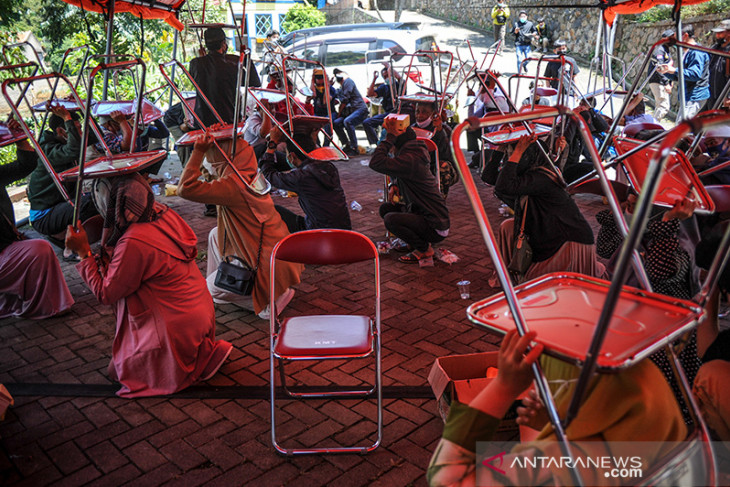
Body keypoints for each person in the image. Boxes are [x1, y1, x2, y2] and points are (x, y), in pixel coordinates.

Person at [427, 330, 688, 486]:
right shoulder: (671, 435)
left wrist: (503, 387)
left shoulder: (558, 467)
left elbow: (445, 477)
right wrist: (556, 426)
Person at [64, 173, 232, 397]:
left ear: (112, 203)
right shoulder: (162, 212)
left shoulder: (133, 240)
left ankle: (177, 366)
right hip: (200, 314)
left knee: (123, 368)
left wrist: (84, 253)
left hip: (177, 327)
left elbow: (106, 293)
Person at [177, 134, 302, 319]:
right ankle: (229, 282)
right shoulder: (248, 171)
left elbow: (185, 188)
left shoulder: (232, 186)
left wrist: (198, 151)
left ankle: (268, 303)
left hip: (264, 262)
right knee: (214, 234)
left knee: (209, 290)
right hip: (276, 252)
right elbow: (212, 175)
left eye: (212, 157)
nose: (209, 162)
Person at [495, 134, 605, 282]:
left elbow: (504, 185)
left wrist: (518, 151)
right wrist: (500, 149)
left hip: (570, 240)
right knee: (507, 227)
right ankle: (511, 269)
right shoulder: (537, 173)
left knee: (533, 285)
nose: (509, 159)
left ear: (527, 157)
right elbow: (491, 178)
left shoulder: (541, 177)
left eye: (512, 155)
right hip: (558, 234)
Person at [1, 120, 74, 319]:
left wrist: (19, 137)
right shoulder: (52, 147)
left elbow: (26, 164)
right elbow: (74, 149)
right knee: (38, 249)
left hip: (8, 243)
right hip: (37, 222)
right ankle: (49, 304)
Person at [369, 121, 450, 264]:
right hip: (426, 215)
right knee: (386, 208)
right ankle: (415, 242)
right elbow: (403, 172)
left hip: (436, 225)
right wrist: (394, 184)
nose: (391, 151)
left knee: (390, 219)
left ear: (397, 145)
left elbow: (376, 162)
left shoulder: (410, 159)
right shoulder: (413, 152)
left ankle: (424, 249)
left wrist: (389, 138)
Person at [29, 104, 99, 241]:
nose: (80, 133)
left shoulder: (69, 141)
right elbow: (74, 150)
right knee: (92, 201)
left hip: (62, 206)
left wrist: (81, 110)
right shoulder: (47, 150)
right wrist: (67, 118)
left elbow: (95, 135)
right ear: (61, 132)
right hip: (45, 216)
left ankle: (74, 235)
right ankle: (64, 238)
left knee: (103, 192)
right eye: (77, 129)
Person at [260, 129, 351, 233]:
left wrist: (272, 144)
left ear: (292, 156)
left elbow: (268, 174)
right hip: (343, 229)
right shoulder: (329, 167)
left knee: (275, 210)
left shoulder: (301, 177)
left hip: (319, 233)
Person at [189, 27, 261, 129]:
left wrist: (202, 58)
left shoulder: (195, 63)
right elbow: (255, 83)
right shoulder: (237, 62)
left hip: (202, 122)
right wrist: (244, 57)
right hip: (228, 119)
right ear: (223, 44)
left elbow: (200, 79)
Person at [657, 25, 710, 120]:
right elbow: (680, 76)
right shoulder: (687, 52)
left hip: (695, 96)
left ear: (685, 36)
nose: (674, 40)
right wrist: (666, 72)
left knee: (681, 128)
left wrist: (674, 70)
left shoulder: (696, 52)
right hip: (688, 95)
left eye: (676, 37)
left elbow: (695, 74)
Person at [363, 66, 401, 148]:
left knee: (385, 132)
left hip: (397, 113)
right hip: (387, 114)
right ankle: (376, 144)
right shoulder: (384, 87)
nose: (386, 78)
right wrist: (374, 79)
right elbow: (370, 94)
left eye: (387, 76)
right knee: (367, 122)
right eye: (384, 77)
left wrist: (388, 66)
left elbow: (399, 77)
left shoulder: (399, 85)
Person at [333, 68, 368, 156]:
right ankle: (347, 144)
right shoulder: (340, 88)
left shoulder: (348, 82)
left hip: (359, 109)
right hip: (350, 112)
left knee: (347, 121)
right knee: (336, 123)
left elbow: (345, 100)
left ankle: (354, 147)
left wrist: (339, 112)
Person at [305, 68, 337, 147]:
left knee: (328, 124)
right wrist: (312, 80)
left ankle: (326, 145)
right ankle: (317, 145)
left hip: (329, 113)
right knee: (312, 125)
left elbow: (325, 101)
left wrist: (327, 86)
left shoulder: (331, 89)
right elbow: (312, 95)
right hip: (317, 113)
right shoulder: (314, 88)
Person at [648, 30, 674, 122]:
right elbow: (659, 67)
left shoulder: (665, 50)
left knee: (660, 106)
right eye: (671, 38)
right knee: (664, 106)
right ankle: (652, 125)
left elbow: (667, 66)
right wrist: (666, 83)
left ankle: (652, 125)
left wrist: (670, 81)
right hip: (657, 80)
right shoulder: (660, 50)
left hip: (660, 81)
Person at [708, 19, 730, 110]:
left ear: (729, 33)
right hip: (711, 96)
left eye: (721, 33)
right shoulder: (715, 48)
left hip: (725, 98)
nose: (717, 36)